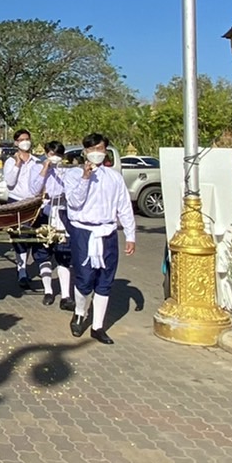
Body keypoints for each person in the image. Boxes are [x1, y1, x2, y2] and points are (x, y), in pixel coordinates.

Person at [62, 133, 136, 345]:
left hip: (107, 232)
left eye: (100, 149)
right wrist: (85, 177)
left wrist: (130, 235)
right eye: (92, 149)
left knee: (105, 280)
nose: (96, 153)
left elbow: (124, 206)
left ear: (106, 151)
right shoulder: (73, 175)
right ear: (85, 152)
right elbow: (74, 202)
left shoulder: (114, 177)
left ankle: (98, 326)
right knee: (85, 278)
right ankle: (79, 312)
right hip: (83, 231)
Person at [2, 128, 46, 291]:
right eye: (21, 140)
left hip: (33, 202)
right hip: (16, 202)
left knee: (32, 236)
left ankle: (40, 269)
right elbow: (9, 182)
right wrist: (17, 164)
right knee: (19, 237)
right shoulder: (10, 162)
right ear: (16, 143)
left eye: (27, 139)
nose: (25, 142)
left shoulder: (37, 162)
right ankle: (22, 272)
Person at [33, 141, 74, 309]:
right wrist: (45, 169)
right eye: (51, 154)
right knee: (43, 253)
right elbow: (35, 189)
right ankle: (48, 291)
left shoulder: (67, 172)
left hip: (62, 214)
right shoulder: (38, 168)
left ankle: (65, 296)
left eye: (58, 155)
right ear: (46, 154)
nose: (54, 157)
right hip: (44, 214)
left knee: (63, 253)